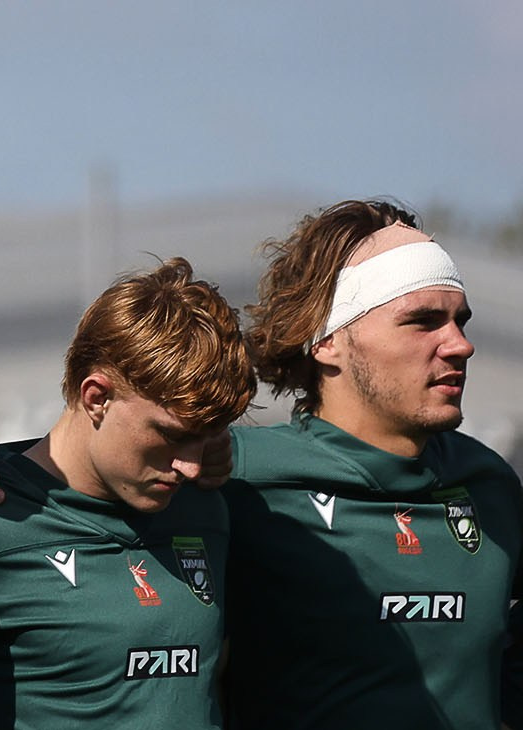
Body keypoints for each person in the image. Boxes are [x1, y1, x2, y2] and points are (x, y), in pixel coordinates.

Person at [218, 201, 522, 728]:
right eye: (423, 321)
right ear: (328, 340)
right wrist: (20, 480)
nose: (461, 345)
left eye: (460, 320)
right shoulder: (235, 480)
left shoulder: (488, 480)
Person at [0, 259, 251, 729]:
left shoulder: (205, 508)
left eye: (207, 437)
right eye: (171, 435)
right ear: (96, 397)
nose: (192, 464)